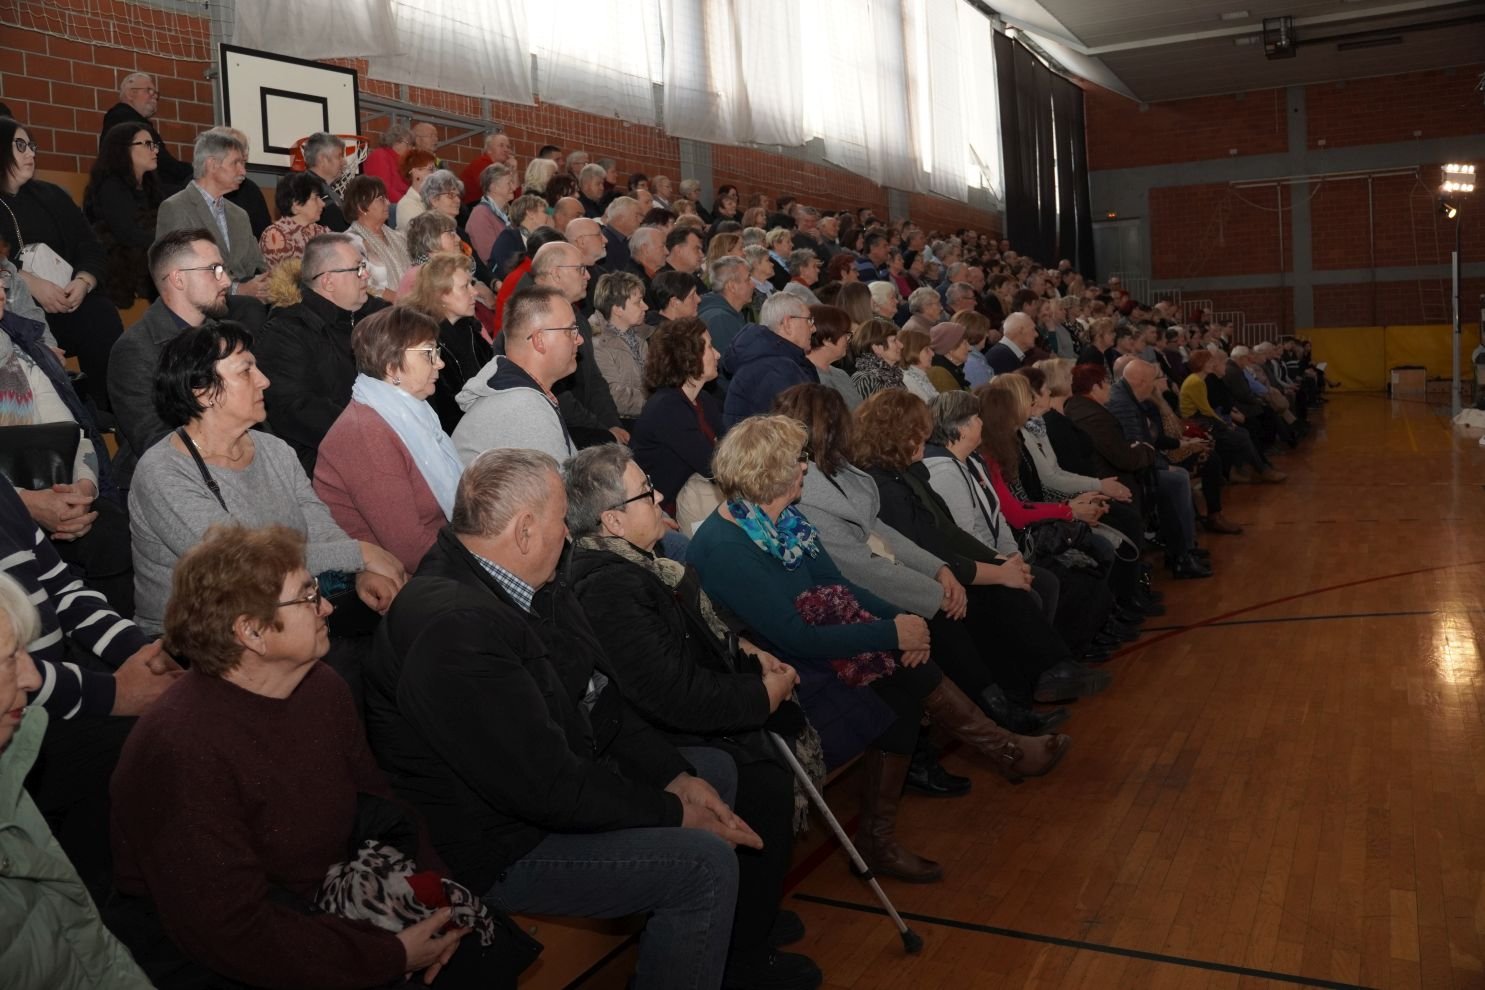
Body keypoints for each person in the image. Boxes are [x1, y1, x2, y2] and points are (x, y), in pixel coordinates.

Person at [366, 448, 755, 990]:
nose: (570, 535)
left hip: (545, 790)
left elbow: (599, 698)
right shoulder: (453, 631)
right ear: (525, 530)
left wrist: (672, 776)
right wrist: (673, 813)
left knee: (709, 771)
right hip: (496, 846)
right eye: (561, 521)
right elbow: (545, 788)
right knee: (703, 866)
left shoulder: (524, 581)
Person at [109, 524, 515, 988]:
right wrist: (392, 955)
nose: (326, 607)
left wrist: (437, 904)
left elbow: (384, 811)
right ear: (251, 631)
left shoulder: (320, 686)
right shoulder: (179, 751)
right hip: (233, 960)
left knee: (478, 950)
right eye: (306, 597)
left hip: (336, 904)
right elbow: (229, 931)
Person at [689, 415, 1070, 881]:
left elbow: (837, 584)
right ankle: (993, 756)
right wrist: (892, 634)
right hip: (777, 668)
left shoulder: (784, 520)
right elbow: (794, 637)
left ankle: (888, 831)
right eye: (798, 460)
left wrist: (902, 621)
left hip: (818, 637)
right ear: (771, 474)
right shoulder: (727, 547)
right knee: (901, 685)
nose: (806, 467)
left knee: (906, 678)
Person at [563, 445, 823, 990]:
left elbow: (702, 640)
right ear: (612, 521)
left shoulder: (641, 564)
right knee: (761, 779)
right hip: (648, 735)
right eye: (645, 492)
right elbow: (669, 694)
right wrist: (760, 697)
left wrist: (748, 654)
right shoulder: (608, 586)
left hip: (668, 715)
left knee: (763, 762)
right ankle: (742, 953)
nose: (659, 495)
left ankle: (750, 917)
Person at [779, 385, 1067, 742]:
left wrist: (939, 570)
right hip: (850, 599)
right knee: (951, 620)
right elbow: (859, 568)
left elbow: (897, 533)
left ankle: (1010, 708)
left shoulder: (843, 473)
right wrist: (935, 589)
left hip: (892, 580)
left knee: (980, 605)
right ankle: (1001, 725)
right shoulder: (809, 490)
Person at [128, 321, 407, 634]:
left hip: (287, 610)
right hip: (198, 636)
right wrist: (360, 553)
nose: (264, 380)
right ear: (204, 393)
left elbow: (318, 526)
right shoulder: (163, 472)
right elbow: (241, 563)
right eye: (246, 371)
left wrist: (359, 571)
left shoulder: (274, 449)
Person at [0, 572, 156, 988]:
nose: (32, 678)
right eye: (9, 659)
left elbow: (83, 940)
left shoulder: (10, 766)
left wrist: (149, 658)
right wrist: (116, 693)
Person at [314, 307, 461, 574]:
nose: (440, 363)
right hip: (398, 578)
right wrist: (483, 561)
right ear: (391, 366)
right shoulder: (365, 433)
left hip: (440, 556)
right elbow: (410, 550)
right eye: (428, 353)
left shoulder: (410, 412)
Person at [1, 118, 125, 411]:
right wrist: (30, 283)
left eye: (32, 146)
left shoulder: (51, 195)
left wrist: (83, 282)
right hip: (14, 312)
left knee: (99, 313)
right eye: (20, 146)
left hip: (65, 302)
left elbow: (90, 246)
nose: (31, 153)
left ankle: (107, 409)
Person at [254, 232, 391, 472]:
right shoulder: (286, 332)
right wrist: (374, 428)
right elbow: (296, 409)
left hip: (380, 437)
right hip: (326, 459)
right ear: (328, 282)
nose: (366, 275)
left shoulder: (375, 315)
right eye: (358, 268)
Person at [452, 287, 581, 465]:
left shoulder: (517, 394)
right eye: (571, 330)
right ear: (539, 340)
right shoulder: (523, 408)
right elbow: (560, 481)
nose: (579, 339)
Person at [155, 129, 269, 299]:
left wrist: (269, 284)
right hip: (201, 306)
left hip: (245, 302)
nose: (243, 172)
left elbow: (258, 264)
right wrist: (237, 290)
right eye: (236, 163)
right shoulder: (176, 208)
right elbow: (178, 271)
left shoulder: (239, 215)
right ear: (212, 164)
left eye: (243, 164)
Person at [631, 316, 724, 523]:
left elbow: (729, 448)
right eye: (709, 347)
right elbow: (713, 465)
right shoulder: (667, 407)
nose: (718, 354)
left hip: (690, 499)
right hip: (658, 510)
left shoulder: (703, 400)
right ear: (688, 356)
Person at [399, 251, 491, 433]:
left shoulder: (468, 328)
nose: (475, 292)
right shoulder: (423, 344)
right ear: (441, 295)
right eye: (465, 287)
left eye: (472, 284)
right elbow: (442, 413)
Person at [82, 122, 163, 310]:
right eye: (147, 144)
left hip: (147, 254)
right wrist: (166, 242)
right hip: (122, 263)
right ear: (123, 149)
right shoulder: (111, 187)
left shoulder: (152, 187)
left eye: (155, 145)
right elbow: (127, 234)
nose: (155, 150)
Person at [720, 292, 819, 428]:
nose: (814, 328)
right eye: (809, 320)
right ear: (788, 323)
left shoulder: (772, 360)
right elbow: (803, 427)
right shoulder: (775, 369)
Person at [98, 72, 192, 190]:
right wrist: (193, 172)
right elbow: (162, 162)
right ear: (131, 94)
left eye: (156, 93)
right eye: (149, 91)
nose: (154, 97)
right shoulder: (126, 121)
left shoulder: (126, 119)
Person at [590, 271, 651, 427]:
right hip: (623, 424)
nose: (646, 306)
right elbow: (614, 396)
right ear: (617, 309)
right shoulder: (598, 344)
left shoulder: (641, 337)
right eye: (638, 302)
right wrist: (656, 403)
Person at [344, 175, 411, 301]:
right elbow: (360, 282)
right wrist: (400, 300)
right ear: (361, 207)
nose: (388, 203)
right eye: (381, 199)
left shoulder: (398, 237)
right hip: (380, 309)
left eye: (386, 198)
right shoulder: (351, 244)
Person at [257, 171, 330, 269]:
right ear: (296, 205)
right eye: (315, 198)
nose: (323, 204)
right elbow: (286, 277)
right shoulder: (276, 235)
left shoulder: (321, 231)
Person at [805, 304, 859, 411]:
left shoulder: (841, 374)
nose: (848, 339)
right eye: (846, 334)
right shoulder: (807, 377)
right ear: (827, 339)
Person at [466, 163, 516, 269]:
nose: (514, 187)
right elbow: (488, 257)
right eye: (509, 183)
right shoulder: (480, 214)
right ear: (493, 187)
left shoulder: (508, 213)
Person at [487, 193, 547, 278]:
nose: (547, 216)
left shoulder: (538, 240)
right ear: (530, 213)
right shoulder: (508, 237)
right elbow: (506, 270)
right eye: (544, 212)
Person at [848, 317, 904, 400]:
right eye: (894, 340)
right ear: (876, 348)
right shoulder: (866, 380)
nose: (901, 345)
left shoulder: (895, 375)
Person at [361, 122, 413, 203]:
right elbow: (383, 188)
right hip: (386, 203)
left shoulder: (402, 161)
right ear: (396, 142)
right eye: (408, 144)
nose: (411, 148)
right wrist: (406, 203)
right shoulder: (380, 155)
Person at [392, 149, 438, 229]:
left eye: (436, 169)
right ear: (415, 172)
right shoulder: (406, 205)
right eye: (431, 169)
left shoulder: (435, 199)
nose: (436, 173)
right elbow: (423, 233)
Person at [896, 328, 938, 403]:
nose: (932, 354)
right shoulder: (909, 381)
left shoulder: (918, 374)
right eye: (926, 350)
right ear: (913, 351)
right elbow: (929, 408)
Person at [926, 321, 970, 392]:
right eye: (965, 343)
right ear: (950, 347)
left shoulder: (954, 367)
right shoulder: (941, 375)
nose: (969, 348)